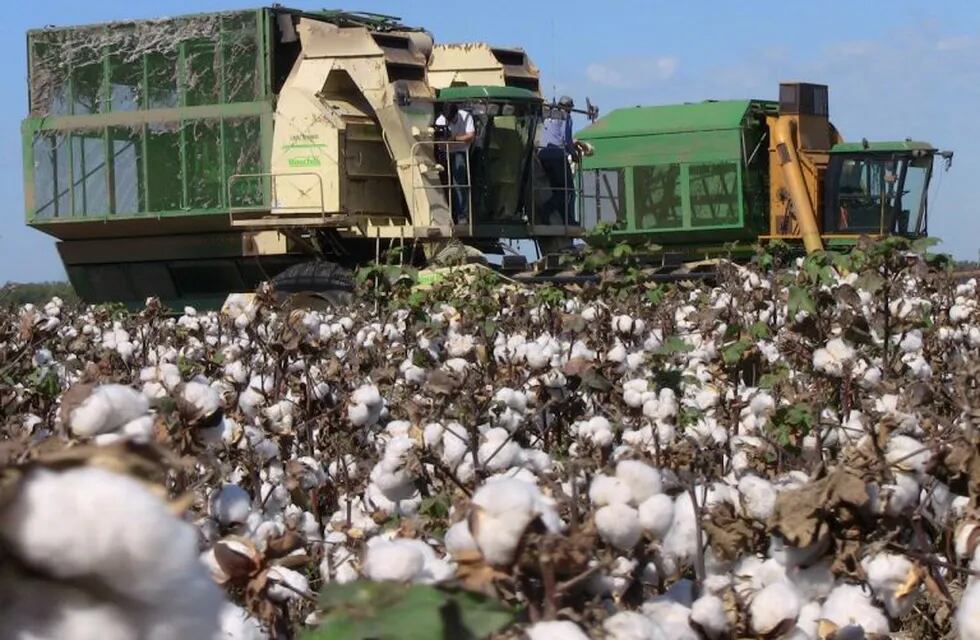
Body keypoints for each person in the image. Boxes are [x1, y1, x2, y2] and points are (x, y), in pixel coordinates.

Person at [537, 96, 576, 224]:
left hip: (542, 155)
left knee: (556, 189)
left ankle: (557, 217)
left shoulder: (548, 115)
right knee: (568, 190)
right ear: (568, 107)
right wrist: (574, 155)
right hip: (556, 156)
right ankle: (563, 217)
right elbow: (567, 141)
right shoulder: (565, 116)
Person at [435, 103, 476, 224]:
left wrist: (454, 139)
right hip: (444, 151)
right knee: (442, 182)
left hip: (460, 150)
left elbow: (471, 136)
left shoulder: (466, 117)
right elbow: (437, 140)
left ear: (456, 114)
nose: (449, 122)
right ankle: (443, 216)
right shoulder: (440, 120)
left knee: (459, 181)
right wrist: (443, 140)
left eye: (451, 119)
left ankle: (462, 216)